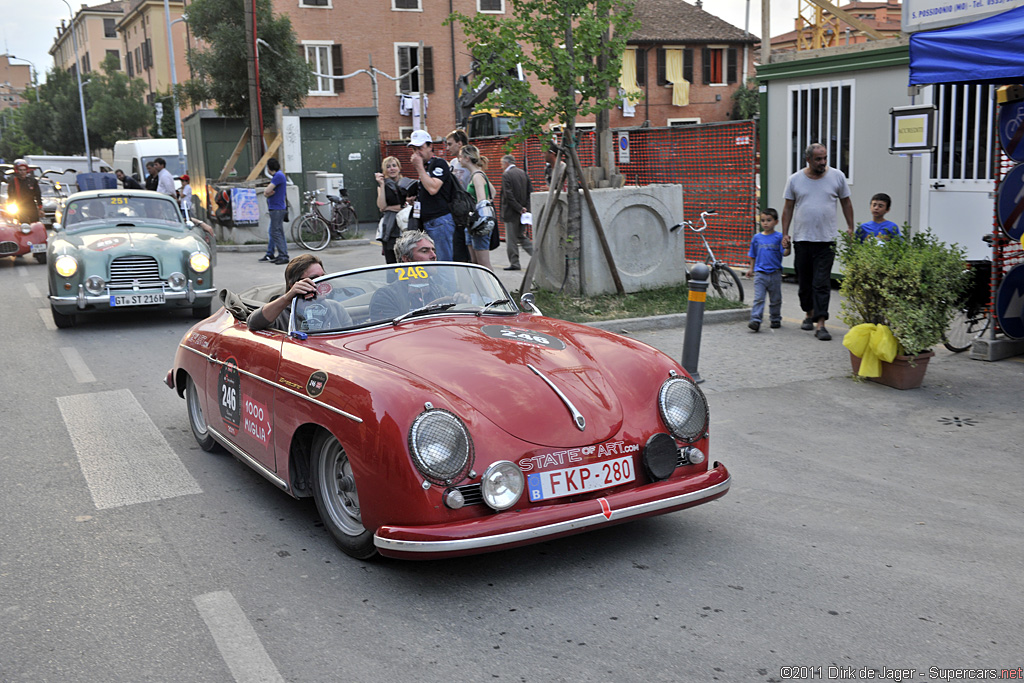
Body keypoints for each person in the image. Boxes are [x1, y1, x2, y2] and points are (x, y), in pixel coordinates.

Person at [780, 143, 854, 342]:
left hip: (826, 240)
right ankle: (808, 313)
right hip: (803, 239)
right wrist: (784, 233)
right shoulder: (795, 180)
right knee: (804, 282)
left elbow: (846, 202)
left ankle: (821, 323)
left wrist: (850, 227)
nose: (823, 162)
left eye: (825, 158)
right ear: (808, 160)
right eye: (818, 159)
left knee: (821, 283)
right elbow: (787, 208)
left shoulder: (837, 176)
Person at [247, 254, 351, 332]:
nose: (322, 283)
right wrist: (287, 298)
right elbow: (253, 323)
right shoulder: (280, 312)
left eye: (323, 277)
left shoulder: (336, 308)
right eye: (314, 279)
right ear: (294, 285)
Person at [369, 231, 455, 320]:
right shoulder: (386, 296)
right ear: (407, 259)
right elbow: (389, 331)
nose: (434, 256)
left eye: (433, 250)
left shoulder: (440, 291)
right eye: (425, 251)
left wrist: (464, 301)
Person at [407, 129, 456, 262]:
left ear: (430, 146)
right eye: (414, 149)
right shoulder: (425, 167)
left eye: (420, 148)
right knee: (430, 262)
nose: (417, 152)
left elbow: (433, 188)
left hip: (439, 220)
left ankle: (447, 283)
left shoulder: (439, 164)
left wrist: (419, 168)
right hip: (427, 220)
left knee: (442, 261)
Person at [745, 208, 790, 332]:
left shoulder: (779, 237)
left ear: (776, 222)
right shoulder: (757, 238)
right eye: (763, 220)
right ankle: (755, 320)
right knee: (759, 298)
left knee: (775, 299)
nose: (765, 223)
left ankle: (775, 318)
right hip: (760, 273)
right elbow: (753, 254)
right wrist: (751, 269)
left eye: (769, 220)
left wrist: (789, 247)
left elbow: (785, 253)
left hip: (775, 273)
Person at [459, 144, 495, 270]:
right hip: (474, 223)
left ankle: (492, 289)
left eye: (460, 157)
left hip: (478, 223)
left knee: (483, 263)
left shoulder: (477, 176)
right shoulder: (479, 174)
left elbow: (482, 200)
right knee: (475, 262)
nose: (459, 160)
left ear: (466, 158)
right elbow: (493, 192)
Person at [499, 154, 534, 271]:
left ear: (506, 163)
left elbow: (508, 195)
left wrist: (519, 208)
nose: (501, 166)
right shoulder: (523, 173)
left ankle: (515, 262)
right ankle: (536, 255)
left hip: (511, 212)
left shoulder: (507, 175)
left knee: (511, 240)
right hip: (523, 213)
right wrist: (525, 208)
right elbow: (530, 192)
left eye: (502, 164)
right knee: (520, 236)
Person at [445, 129, 472, 263]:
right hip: (455, 212)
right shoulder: (453, 163)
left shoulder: (469, 162)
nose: (447, 147)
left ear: (459, 144)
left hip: (468, 210)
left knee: (470, 253)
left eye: (450, 144)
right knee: (458, 251)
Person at [374, 156, 407, 264]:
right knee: (391, 261)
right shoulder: (383, 185)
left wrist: (389, 208)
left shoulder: (406, 183)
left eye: (394, 165)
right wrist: (382, 185)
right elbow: (382, 206)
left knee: (406, 259)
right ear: (384, 170)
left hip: (405, 226)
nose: (392, 169)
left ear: (399, 167)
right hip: (390, 227)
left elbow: (405, 206)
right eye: (388, 167)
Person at [259, 158, 289, 265]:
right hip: (276, 208)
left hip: (277, 208)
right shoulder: (279, 176)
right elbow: (268, 192)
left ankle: (283, 255)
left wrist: (267, 193)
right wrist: (267, 193)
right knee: (274, 231)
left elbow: (267, 191)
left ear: (269, 168)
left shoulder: (278, 176)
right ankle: (270, 253)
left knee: (276, 232)